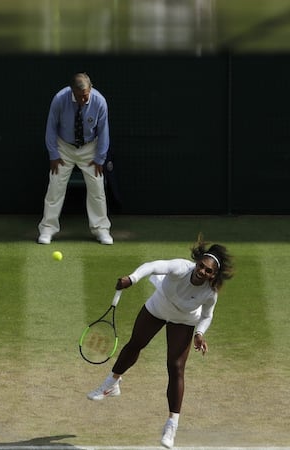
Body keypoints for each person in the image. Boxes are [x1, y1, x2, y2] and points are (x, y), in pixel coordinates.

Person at [86, 235, 234, 449]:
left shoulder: (210, 293)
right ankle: (111, 383)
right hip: (158, 306)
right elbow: (153, 266)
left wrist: (199, 334)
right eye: (201, 266)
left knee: (176, 368)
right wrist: (132, 278)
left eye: (208, 271)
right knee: (135, 344)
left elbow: (207, 315)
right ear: (197, 262)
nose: (202, 271)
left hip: (184, 319)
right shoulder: (180, 267)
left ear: (214, 275)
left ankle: (172, 424)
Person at [38, 72, 113, 245]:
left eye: (85, 96)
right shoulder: (59, 99)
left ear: (90, 89)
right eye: (79, 97)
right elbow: (51, 127)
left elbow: (103, 132)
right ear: (72, 91)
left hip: (90, 148)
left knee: (97, 189)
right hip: (64, 146)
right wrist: (54, 154)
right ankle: (48, 228)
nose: (83, 100)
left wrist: (100, 158)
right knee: (55, 187)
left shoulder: (99, 101)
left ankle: (101, 229)